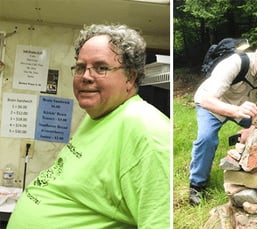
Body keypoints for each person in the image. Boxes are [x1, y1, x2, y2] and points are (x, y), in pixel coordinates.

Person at [7, 24, 170, 228]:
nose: (85, 76)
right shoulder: (98, 115)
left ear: (130, 77)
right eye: (81, 67)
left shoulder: (147, 130)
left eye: (101, 68)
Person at [189, 36, 257, 206]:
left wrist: (251, 129)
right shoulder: (235, 63)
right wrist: (235, 110)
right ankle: (197, 185)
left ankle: (246, 171)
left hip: (241, 109)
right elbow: (206, 100)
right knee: (207, 138)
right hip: (213, 104)